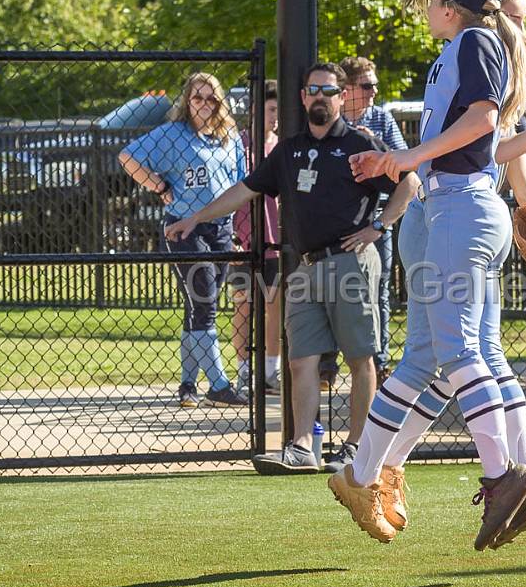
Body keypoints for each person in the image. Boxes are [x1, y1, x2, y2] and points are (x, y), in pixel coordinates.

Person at [343, 0, 526, 548]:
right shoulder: (466, 47)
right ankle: (509, 469)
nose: (425, 9)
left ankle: (503, 476)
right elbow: (476, 136)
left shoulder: (473, 41)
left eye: (430, 1)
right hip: (463, 207)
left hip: (457, 211)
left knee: (454, 352)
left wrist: (411, 159)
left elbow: (481, 123)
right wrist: (392, 160)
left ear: (449, 4)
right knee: (478, 354)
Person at [166, 63, 416, 475]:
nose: (320, 96)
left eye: (329, 91)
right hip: (302, 267)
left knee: (360, 359)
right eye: (313, 89)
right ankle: (302, 448)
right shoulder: (288, 149)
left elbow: (409, 182)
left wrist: (378, 226)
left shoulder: (360, 143)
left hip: (349, 263)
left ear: (340, 97)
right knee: (300, 360)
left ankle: (357, 449)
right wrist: (195, 218)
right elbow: (244, 190)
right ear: (303, 97)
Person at [120, 72, 246, 409]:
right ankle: (219, 384)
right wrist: (159, 185)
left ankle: (188, 384)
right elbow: (127, 157)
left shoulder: (229, 137)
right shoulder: (173, 134)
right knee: (204, 302)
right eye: (197, 97)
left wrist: (234, 232)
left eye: (211, 98)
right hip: (184, 229)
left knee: (199, 306)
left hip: (220, 229)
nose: (204, 104)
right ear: (186, 101)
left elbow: (239, 184)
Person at [339, 56, 409, 378]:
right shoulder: (332, 121)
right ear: (347, 88)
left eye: (375, 85)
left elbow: (406, 168)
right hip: (339, 217)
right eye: (366, 86)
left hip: (377, 217)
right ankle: (328, 363)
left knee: (378, 290)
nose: (373, 92)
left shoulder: (381, 119)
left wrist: (375, 145)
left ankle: (378, 361)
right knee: (329, 289)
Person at [229, 79, 282, 395]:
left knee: (274, 305)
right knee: (243, 306)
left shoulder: (284, 145)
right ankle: (244, 372)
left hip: (275, 240)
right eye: (271, 109)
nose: (276, 116)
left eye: (279, 109)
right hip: (244, 240)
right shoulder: (238, 145)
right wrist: (232, 235)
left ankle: (270, 372)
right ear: (254, 110)